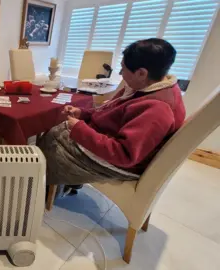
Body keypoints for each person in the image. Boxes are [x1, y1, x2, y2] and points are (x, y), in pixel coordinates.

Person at [37, 38, 186, 195]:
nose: (121, 74)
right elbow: (111, 112)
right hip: (108, 141)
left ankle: (37, 183)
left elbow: (123, 154)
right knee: (58, 131)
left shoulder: (158, 109)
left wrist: (79, 128)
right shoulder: (146, 86)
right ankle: (61, 181)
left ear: (142, 73)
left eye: (123, 69)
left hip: (119, 162)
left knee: (52, 140)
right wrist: (84, 114)